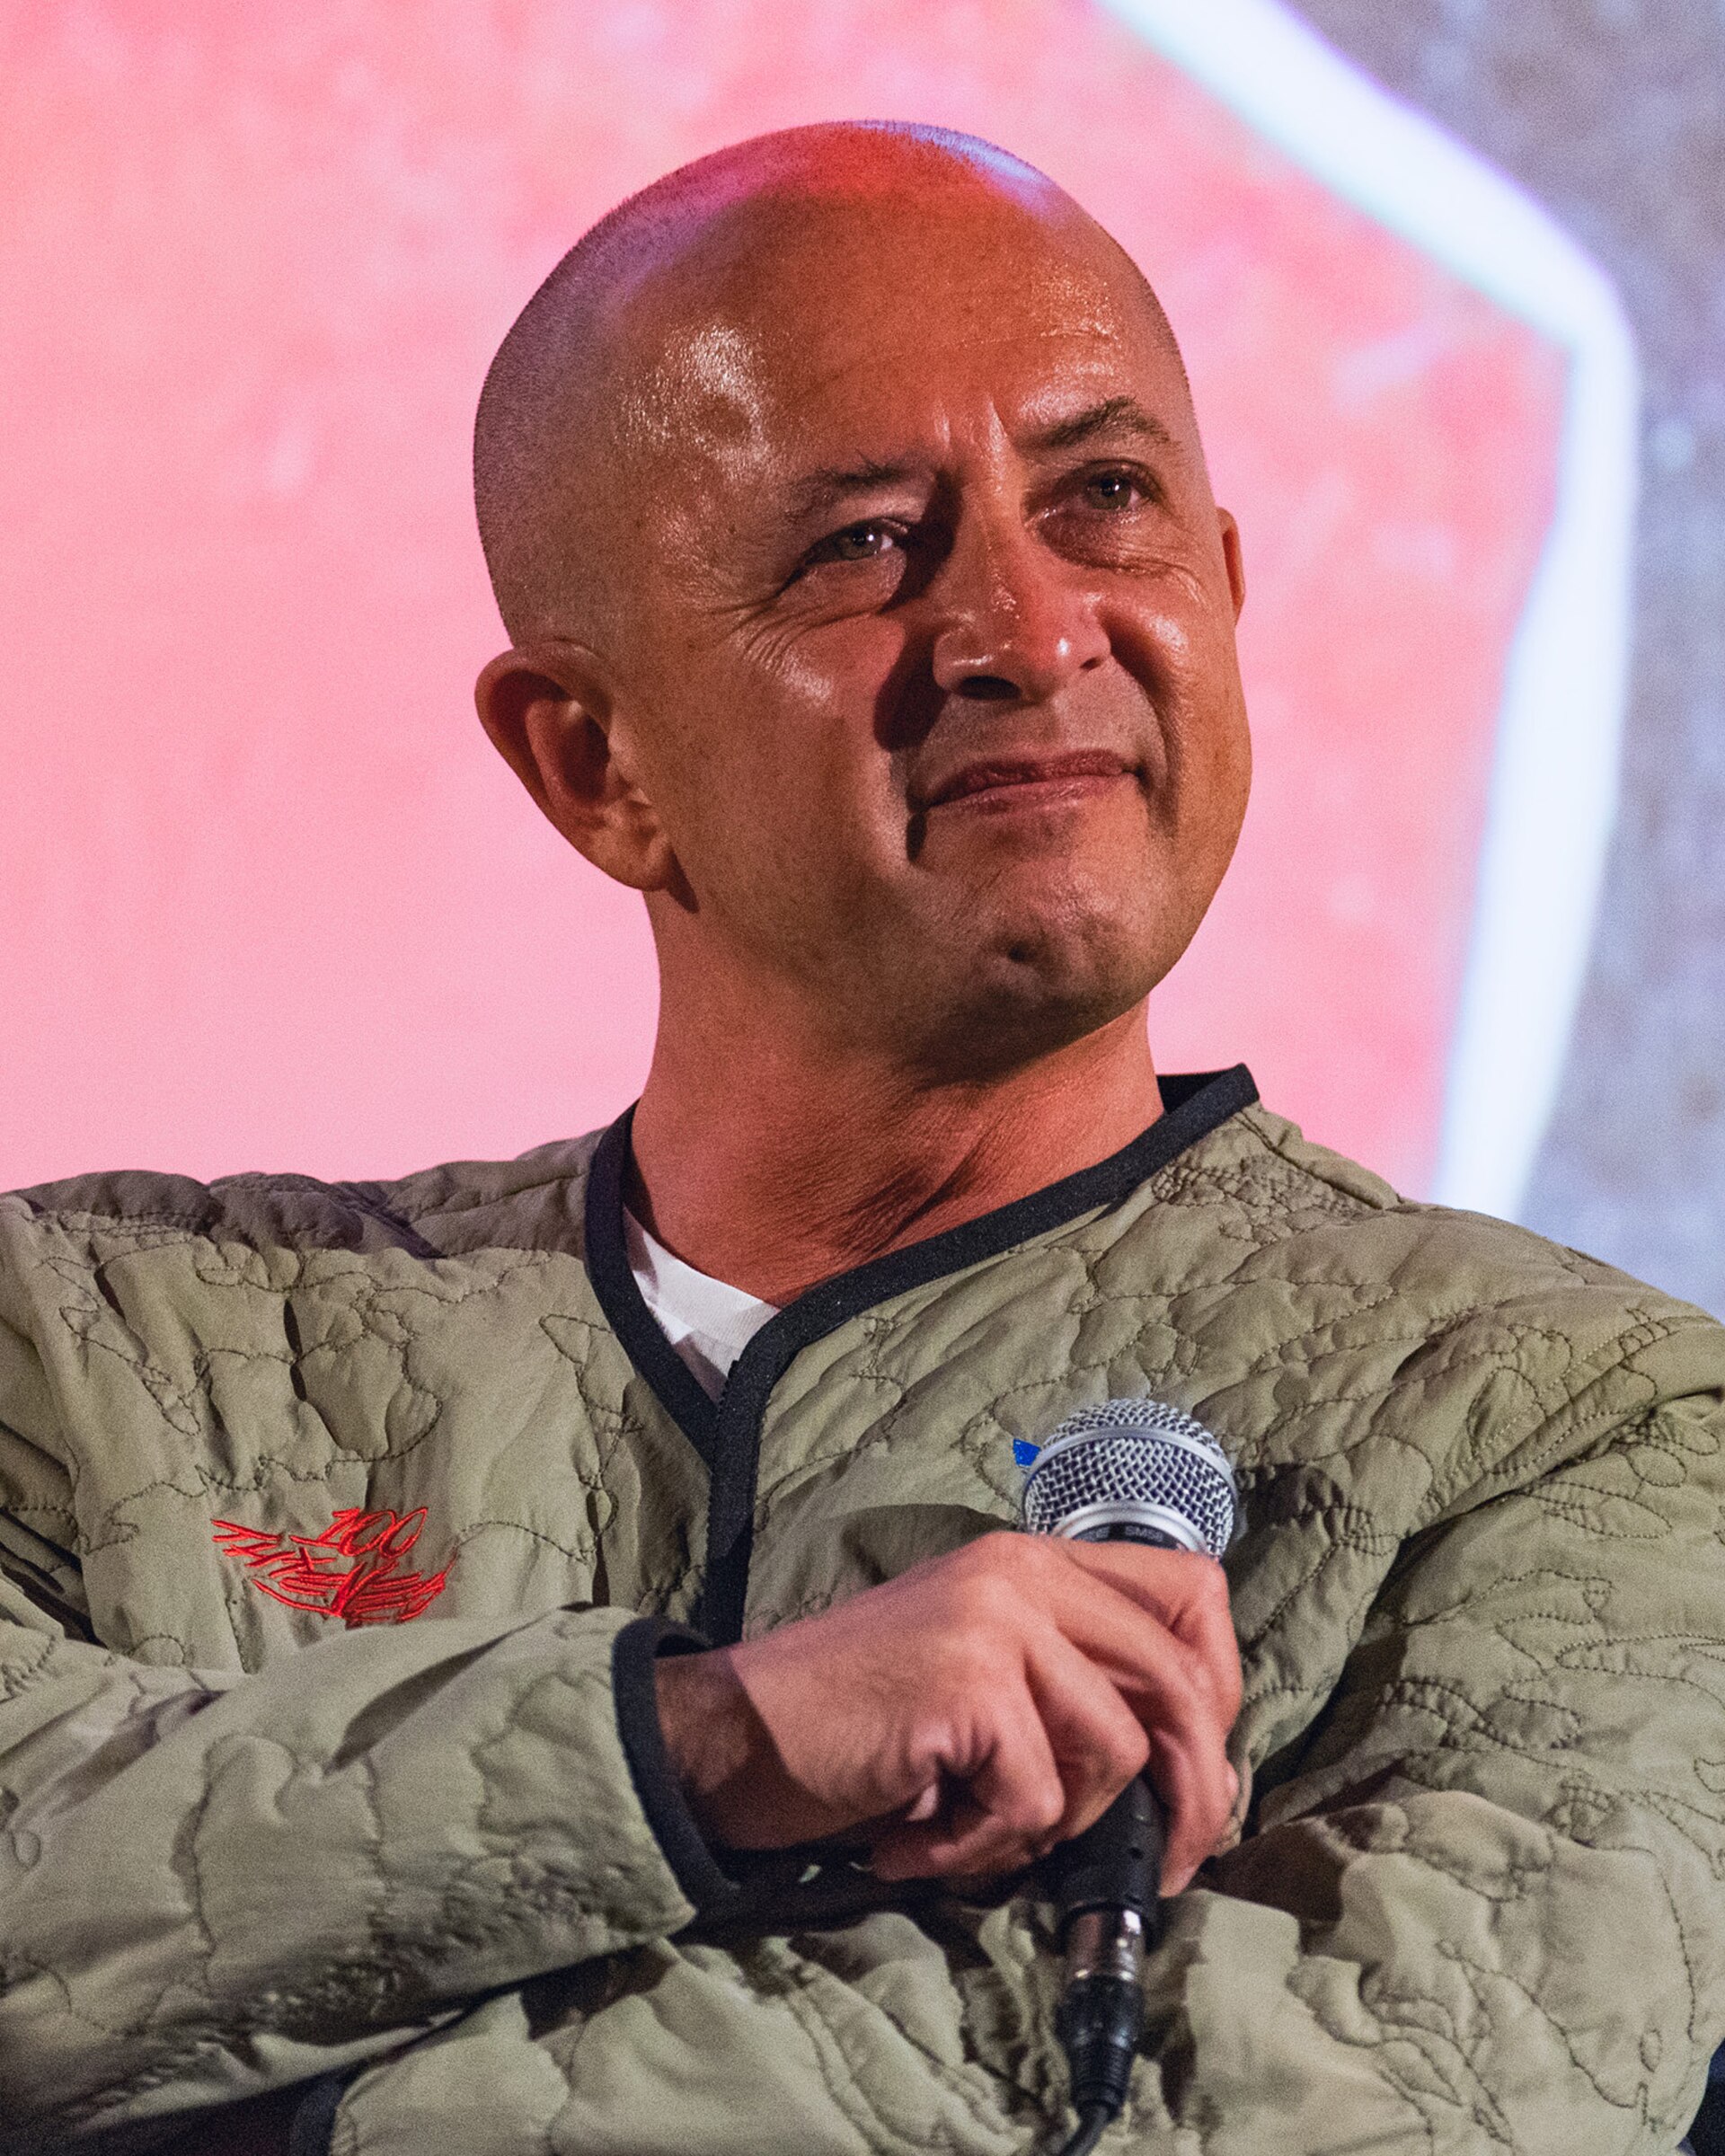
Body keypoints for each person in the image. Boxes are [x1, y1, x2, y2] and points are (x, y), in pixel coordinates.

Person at [2, 120, 1721, 2156]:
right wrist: (714, 1746)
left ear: (1228, 598)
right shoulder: (98, 1349)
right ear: (595, 758)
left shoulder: (1579, 1424)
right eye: (866, 545)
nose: (1027, 624)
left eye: (1103, 499)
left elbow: (1362, 2104)